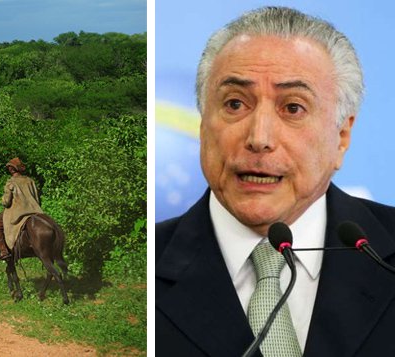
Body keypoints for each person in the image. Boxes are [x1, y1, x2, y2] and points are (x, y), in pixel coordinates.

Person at [157, 7, 395, 356]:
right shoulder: (152, 259)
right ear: (202, 123)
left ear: (341, 136)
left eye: (293, 108)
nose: (259, 137)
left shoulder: (383, 256)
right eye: (235, 104)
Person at [0, 157, 43, 261]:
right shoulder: (30, 181)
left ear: (12, 169)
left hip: (17, 212)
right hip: (34, 210)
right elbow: (37, 199)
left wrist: (3, 199)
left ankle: (4, 251)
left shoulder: (11, 182)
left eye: (9, 167)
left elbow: (6, 202)